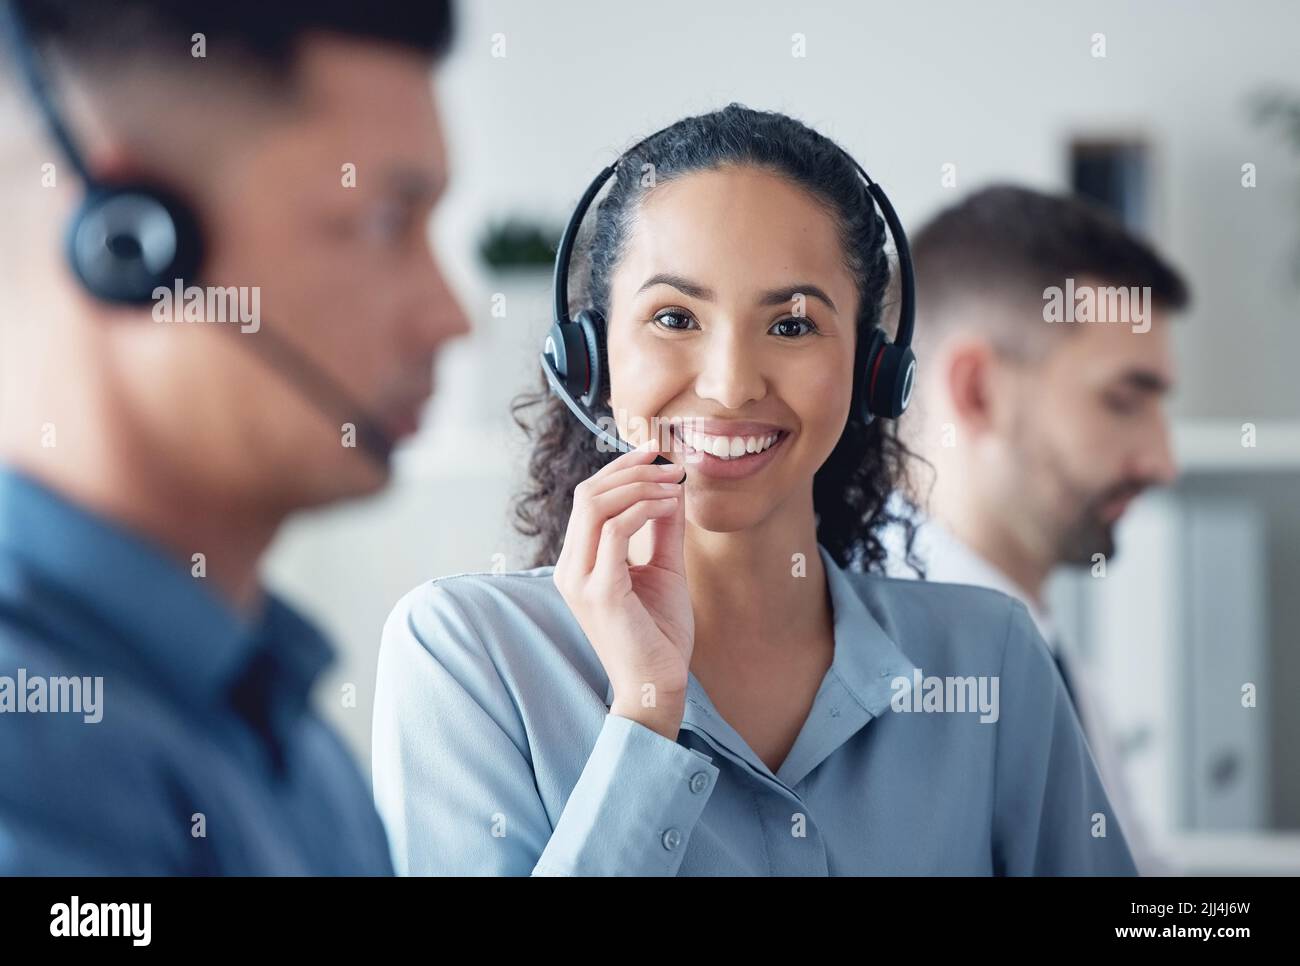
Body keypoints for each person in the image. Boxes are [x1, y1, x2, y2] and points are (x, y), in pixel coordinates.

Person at [372, 104, 1137, 876]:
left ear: (873, 369)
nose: (731, 385)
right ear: (590, 359)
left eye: (793, 325)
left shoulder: (991, 656)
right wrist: (643, 715)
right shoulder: (465, 654)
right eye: (675, 316)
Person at [0, 0, 467, 873]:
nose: (451, 317)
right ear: (128, 243)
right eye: (383, 221)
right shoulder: (28, 766)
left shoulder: (288, 734)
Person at [880, 185, 1191, 875]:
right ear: (977, 391)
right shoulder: (871, 673)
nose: (1162, 463)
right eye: (1122, 400)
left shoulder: (1042, 649)